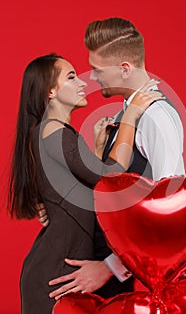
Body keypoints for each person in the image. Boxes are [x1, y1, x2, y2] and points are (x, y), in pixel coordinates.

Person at [8, 53, 163, 314]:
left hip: (57, 272)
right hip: (56, 278)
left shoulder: (47, 133)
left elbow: (77, 190)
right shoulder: (54, 132)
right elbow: (113, 174)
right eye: (71, 77)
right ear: (50, 91)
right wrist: (132, 114)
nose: (82, 83)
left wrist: (97, 149)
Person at [48, 18, 185, 299]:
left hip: (137, 284)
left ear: (124, 69)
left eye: (97, 70)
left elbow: (170, 209)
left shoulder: (155, 117)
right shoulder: (128, 113)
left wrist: (109, 268)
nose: (92, 78)